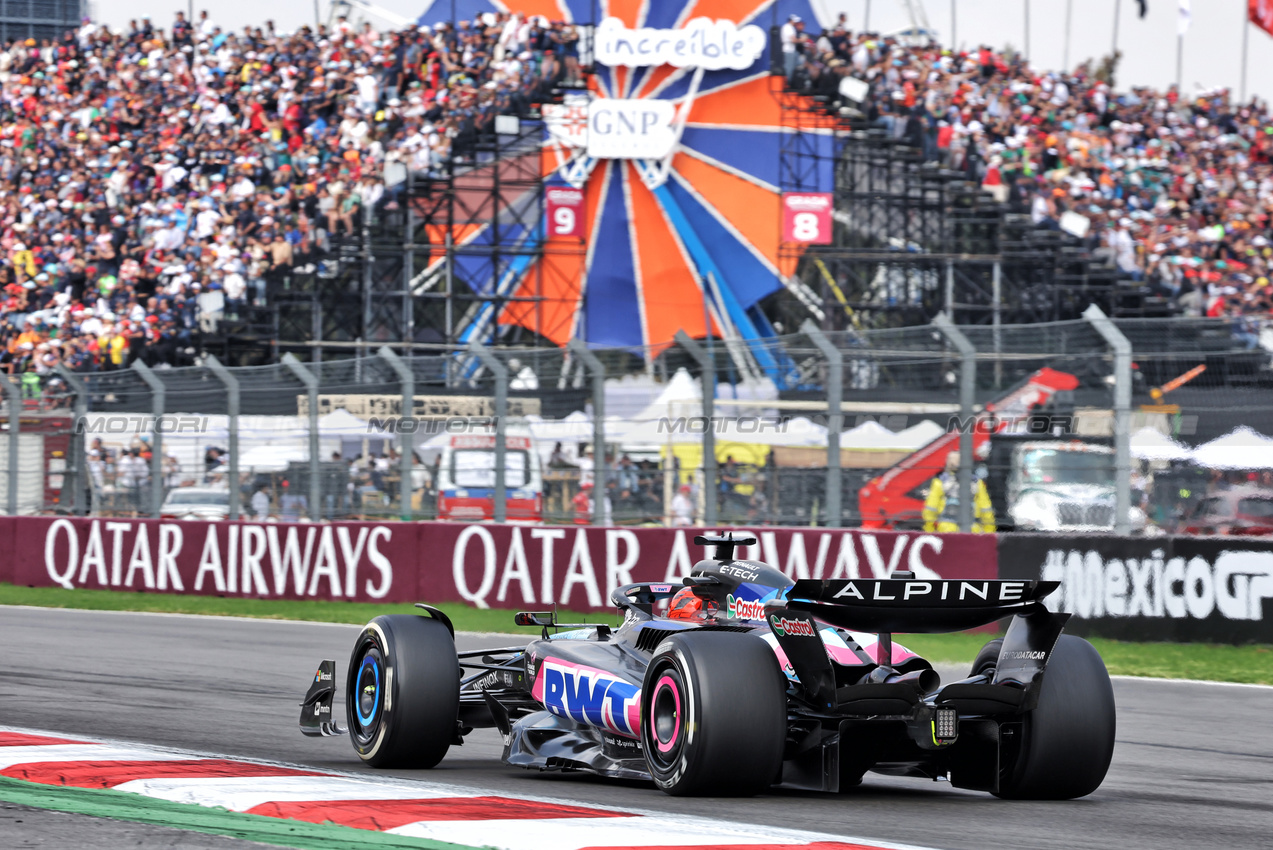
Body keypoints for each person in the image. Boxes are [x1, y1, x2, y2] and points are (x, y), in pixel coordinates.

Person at [922, 452, 995, 533]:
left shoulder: (939, 482)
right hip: (972, 529)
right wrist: (989, 532)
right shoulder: (977, 483)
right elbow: (986, 509)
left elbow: (930, 508)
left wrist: (929, 530)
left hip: (946, 529)